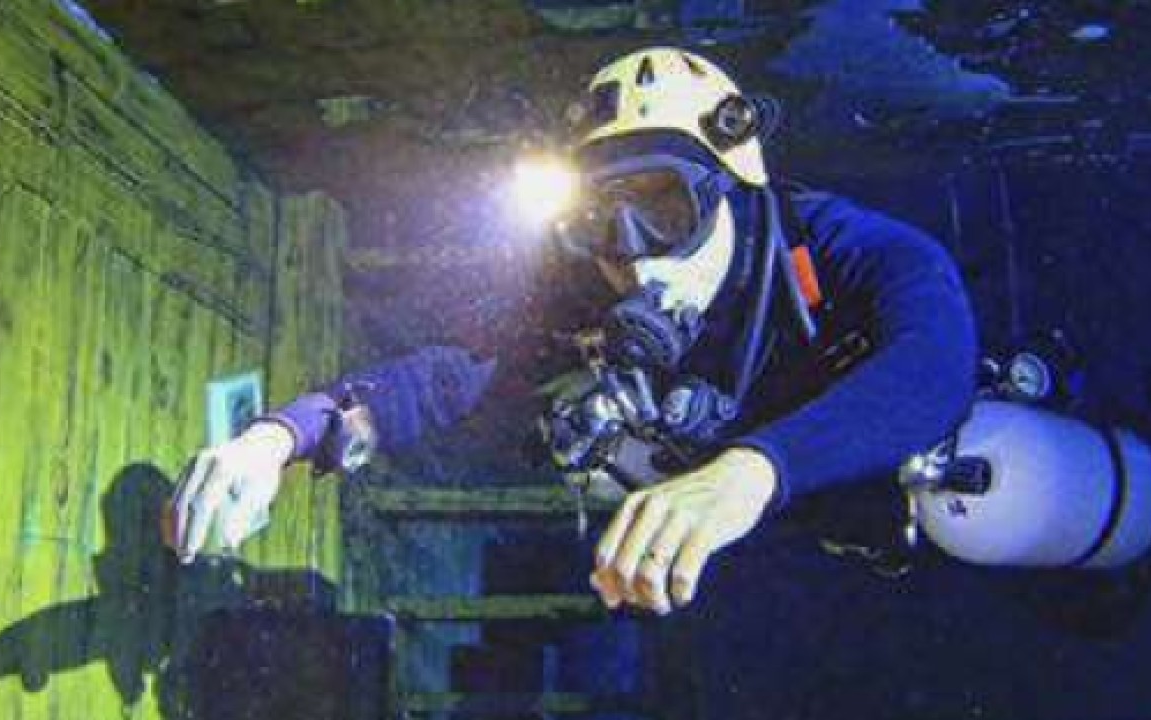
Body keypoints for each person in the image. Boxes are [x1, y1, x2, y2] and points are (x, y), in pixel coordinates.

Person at [167, 47, 977, 617]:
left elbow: (938, 359)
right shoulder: (587, 292)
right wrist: (277, 439)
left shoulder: (827, 245)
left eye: (664, 208)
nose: (630, 257)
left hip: (922, 496)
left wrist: (751, 474)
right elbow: (444, 378)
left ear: (733, 184)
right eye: (600, 221)